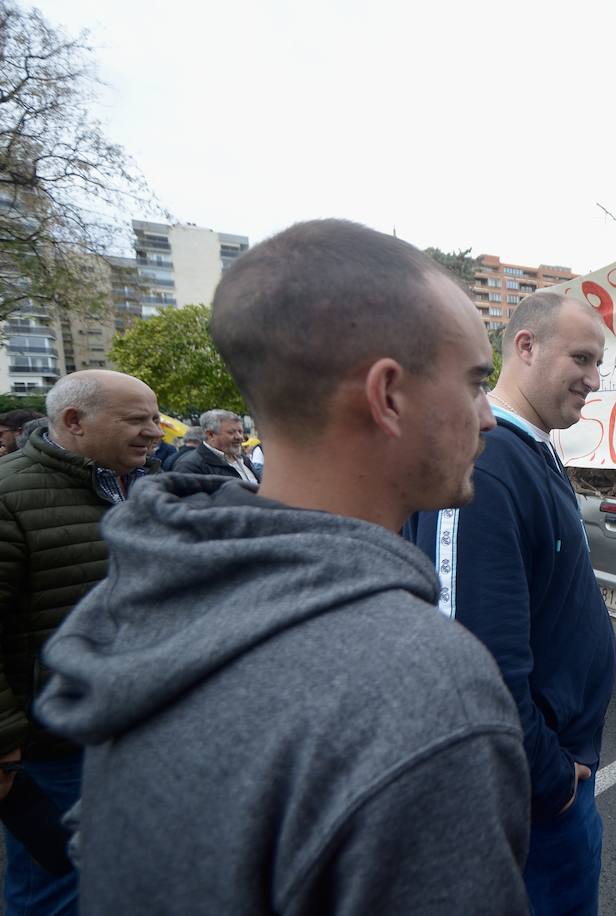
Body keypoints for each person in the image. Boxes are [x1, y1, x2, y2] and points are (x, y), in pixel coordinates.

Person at [35, 219, 530, 913]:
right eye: (476, 381)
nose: (489, 419)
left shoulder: (158, 596)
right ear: (388, 396)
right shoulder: (420, 686)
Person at [404, 290, 615, 916]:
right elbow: (468, 663)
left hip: (556, 782)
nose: (594, 380)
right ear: (526, 347)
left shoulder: (532, 450)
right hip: (532, 801)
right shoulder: (488, 467)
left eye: (598, 362)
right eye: (582, 357)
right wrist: (549, 785)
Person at [0, 369, 162, 916]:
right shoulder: (9, 497)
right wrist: (4, 749)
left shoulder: (147, 488)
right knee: (56, 888)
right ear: (74, 421)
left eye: (155, 418)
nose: (155, 432)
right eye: (137, 420)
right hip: (52, 749)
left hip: (136, 732)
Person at [171, 409, 260, 482]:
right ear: (210, 435)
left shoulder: (244, 459)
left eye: (240, 431)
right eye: (231, 432)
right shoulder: (190, 466)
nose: (240, 437)